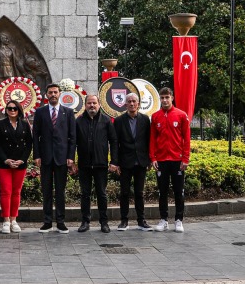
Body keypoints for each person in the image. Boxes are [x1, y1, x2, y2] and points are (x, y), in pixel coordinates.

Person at [32, 83, 76, 233]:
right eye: (50, 92)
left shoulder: (68, 113)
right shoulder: (40, 112)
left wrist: (71, 156)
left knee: (60, 191)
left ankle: (61, 221)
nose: (53, 95)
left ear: (59, 94)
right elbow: (35, 135)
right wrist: (36, 155)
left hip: (62, 158)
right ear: (46, 95)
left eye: (55, 92)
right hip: (45, 158)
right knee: (46, 191)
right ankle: (47, 221)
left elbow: (72, 137)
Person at [75, 94, 118, 233]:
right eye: (89, 103)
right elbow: (73, 143)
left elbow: (114, 142)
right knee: (85, 194)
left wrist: (114, 161)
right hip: (84, 165)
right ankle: (85, 222)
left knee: (102, 194)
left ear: (99, 104)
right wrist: (72, 161)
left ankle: (104, 222)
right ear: (85, 105)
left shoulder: (106, 121)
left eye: (94, 103)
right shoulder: (79, 121)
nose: (92, 106)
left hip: (101, 165)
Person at [150, 88, 191, 233]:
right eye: (162, 97)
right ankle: (163, 220)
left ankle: (179, 220)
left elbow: (186, 138)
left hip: (177, 160)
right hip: (161, 160)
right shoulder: (155, 117)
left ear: (172, 98)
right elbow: (152, 139)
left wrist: (185, 158)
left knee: (178, 191)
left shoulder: (181, 115)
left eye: (167, 97)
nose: (165, 100)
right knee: (162, 192)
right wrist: (153, 157)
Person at [0, 99, 33, 233]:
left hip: (20, 163)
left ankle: (14, 220)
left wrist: (22, 159)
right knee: (6, 191)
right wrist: (6, 160)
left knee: (16, 192)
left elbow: (29, 144)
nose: (12, 111)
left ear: (19, 110)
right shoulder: (0, 124)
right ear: (6, 110)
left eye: (15, 108)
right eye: (10, 108)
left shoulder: (25, 125)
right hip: (4, 164)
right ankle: (6, 221)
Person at [112, 92, 152, 231]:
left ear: (138, 103)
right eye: (129, 101)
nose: (132, 103)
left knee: (139, 193)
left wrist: (150, 160)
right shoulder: (119, 121)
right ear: (125, 104)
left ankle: (141, 220)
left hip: (141, 162)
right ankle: (124, 221)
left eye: (134, 101)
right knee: (124, 192)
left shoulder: (145, 120)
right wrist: (115, 162)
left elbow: (149, 141)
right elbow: (115, 143)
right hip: (125, 162)